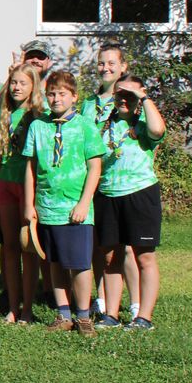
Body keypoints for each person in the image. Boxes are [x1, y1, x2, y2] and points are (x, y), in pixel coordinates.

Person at [23, 70, 106, 338]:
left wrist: (84, 203)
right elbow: (31, 167)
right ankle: (64, 313)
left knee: (80, 263)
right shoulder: (38, 126)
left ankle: (83, 315)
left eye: (62, 94)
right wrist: (29, 204)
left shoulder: (85, 126)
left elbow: (94, 167)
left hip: (76, 209)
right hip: (47, 207)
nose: (56, 98)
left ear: (74, 97)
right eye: (51, 94)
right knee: (55, 262)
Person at [92, 75, 164, 331]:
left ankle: (143, 317)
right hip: (108, 194)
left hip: (140, 193)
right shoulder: (103, 123)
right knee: (111, 256)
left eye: (129, 96)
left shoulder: (143, 123)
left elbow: (158, 131)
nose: (123, 100)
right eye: (120, 95)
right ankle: (111, 314)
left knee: (144, 256)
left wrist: (142, 98)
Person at [82, 44, 140, 320]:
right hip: (92, 181)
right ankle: (102, 299)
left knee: (125, 246)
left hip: (122, 182)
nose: (106, 68)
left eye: (111, 63)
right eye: (101, 63)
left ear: (123, 67)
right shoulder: (87, 104)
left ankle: (136, 302)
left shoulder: (129, 101)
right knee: (98, 244)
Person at [0, 64, 45, 324]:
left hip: (28, 185)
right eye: (13, 82)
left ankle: (27, 308)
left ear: (33, 86)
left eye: (23, 83)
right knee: (10, 247)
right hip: (5, 184)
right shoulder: (4, 113)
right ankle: (12, 307)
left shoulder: (38, 115)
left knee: (28, 247)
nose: (17, 87)